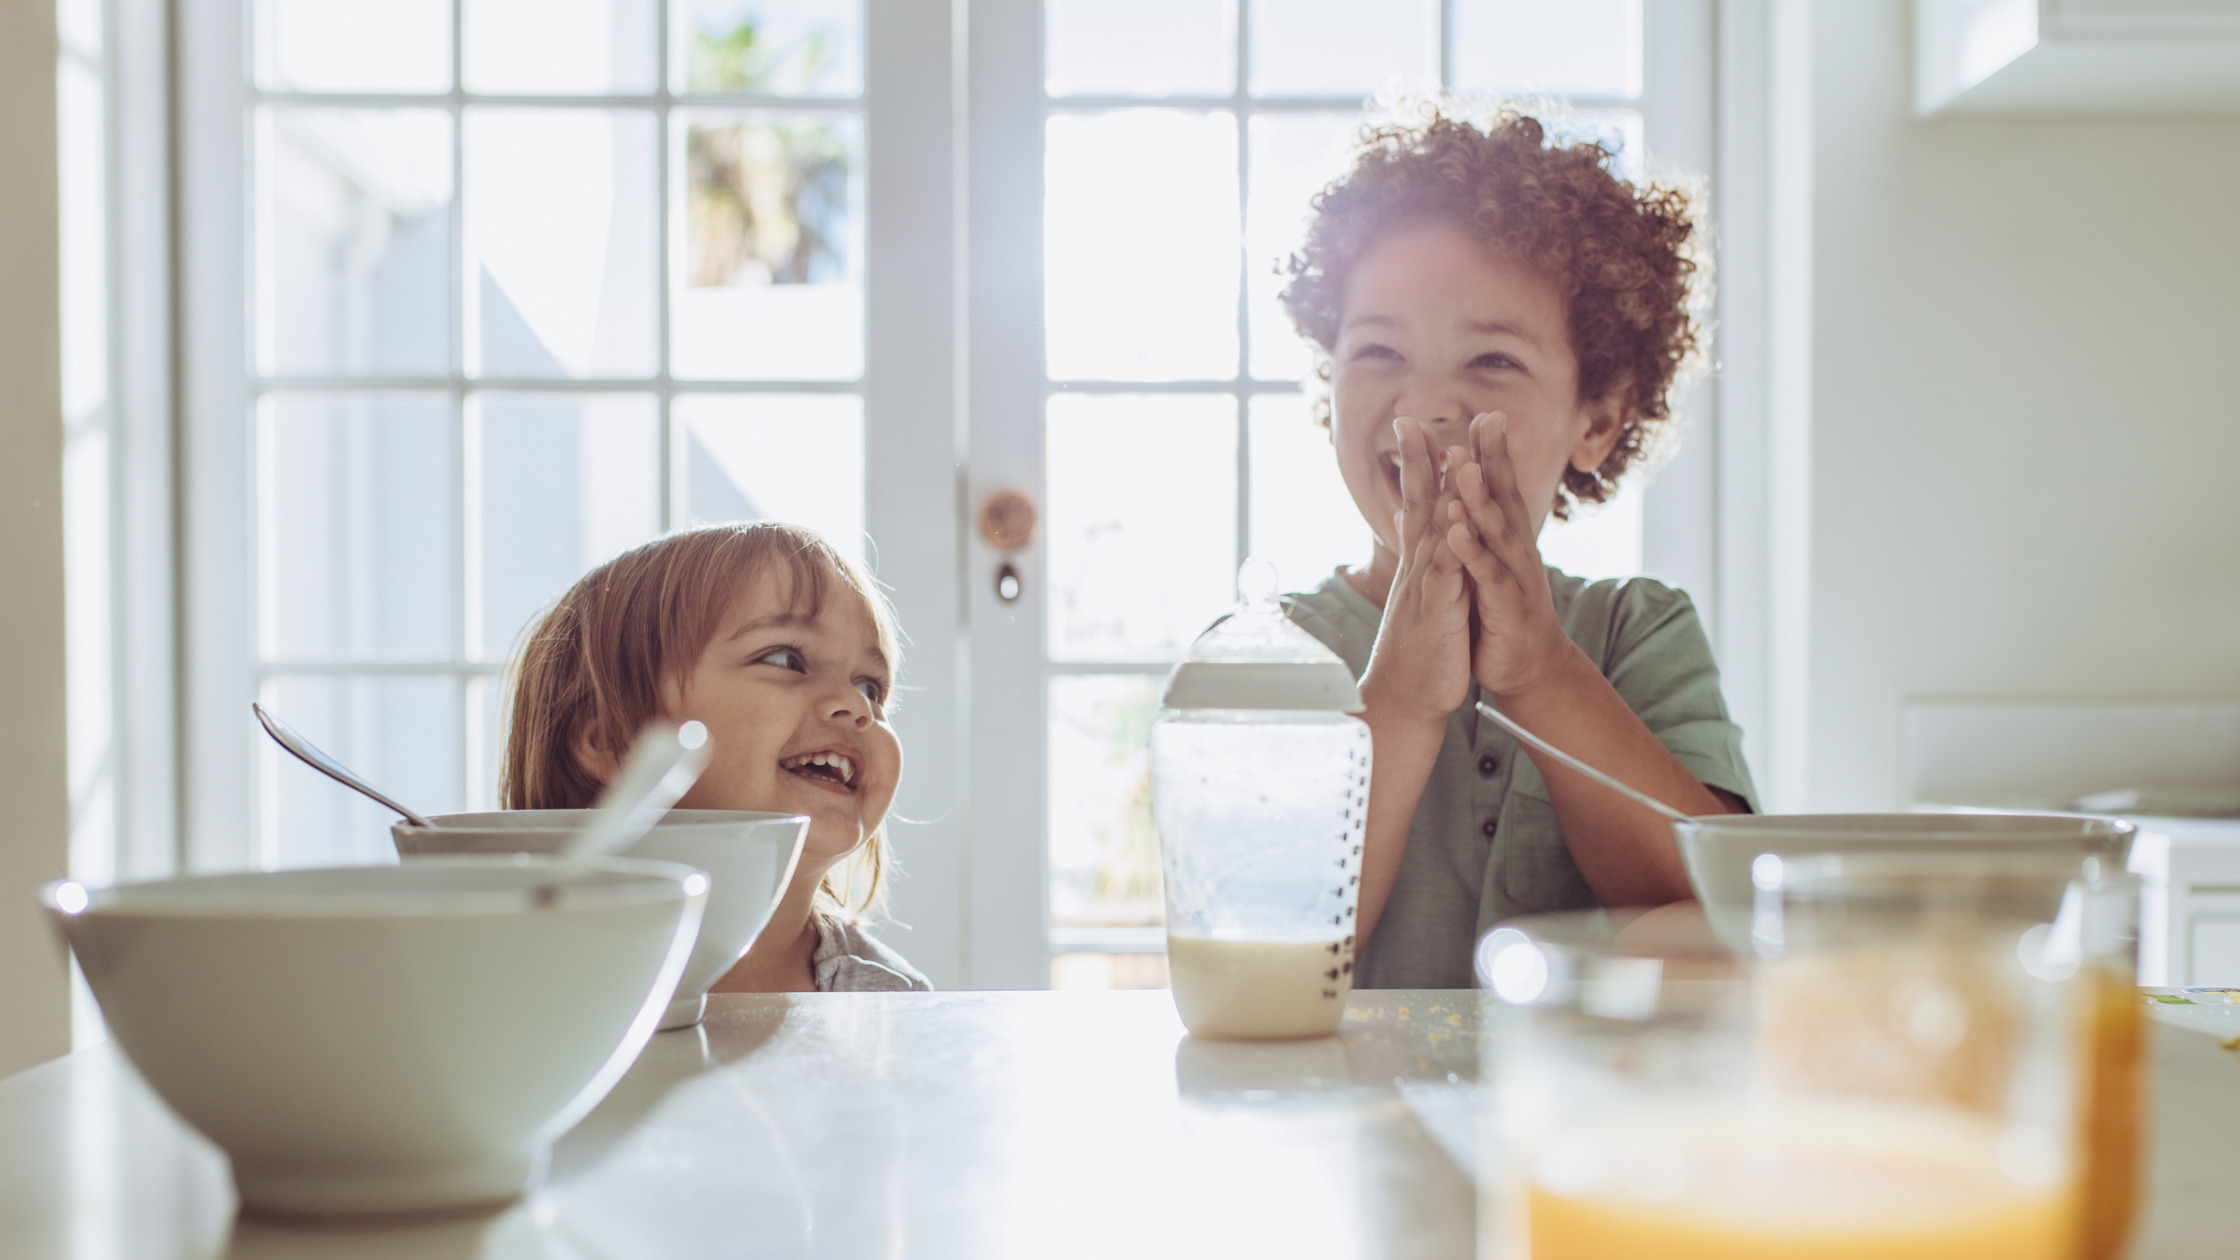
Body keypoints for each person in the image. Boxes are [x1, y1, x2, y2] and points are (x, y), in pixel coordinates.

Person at [1274, 104, 1758, 989]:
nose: (1424, 410)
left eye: (1491, 362)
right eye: (1378, 350)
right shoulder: (1273, 655)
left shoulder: (1634, 632)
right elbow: (1273, 951)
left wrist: (1541, 671)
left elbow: (1723, 911)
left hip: (1580, 1107)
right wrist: (1406, 699)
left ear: (1599, 420)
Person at [502, 522, 931, 993]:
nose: (856, 705)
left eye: (871, 687)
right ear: (611, 740)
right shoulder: (519, 976)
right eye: (786, 660)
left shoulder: (891, 997)